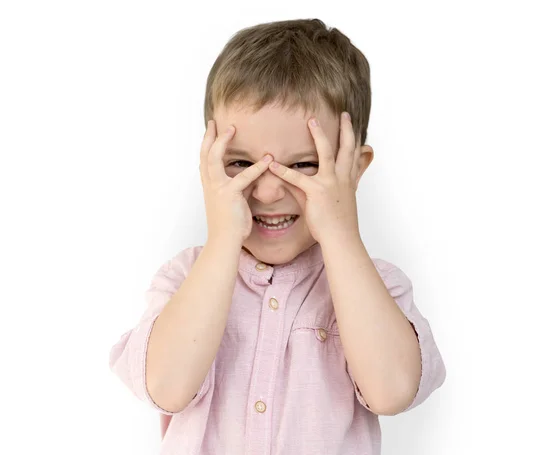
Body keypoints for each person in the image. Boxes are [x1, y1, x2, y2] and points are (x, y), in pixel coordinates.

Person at [108, 18, 446, 455]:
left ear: (355, 169)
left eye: (304, 165)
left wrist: (341, 235)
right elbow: (166, 387)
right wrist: (222, 242)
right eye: (239, 163)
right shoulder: (186, 276)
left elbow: (393, 391)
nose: (267, 191)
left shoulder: (377, 285)